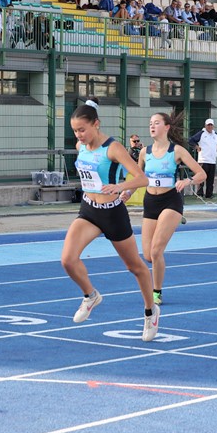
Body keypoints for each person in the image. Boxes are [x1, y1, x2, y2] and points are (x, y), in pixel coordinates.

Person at [63, 98, 159, 342]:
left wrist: (119, 187)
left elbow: (142, 179)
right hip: (89, 210)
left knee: (135, 267)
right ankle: (90, 295)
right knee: (68, 260)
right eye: (75, 131)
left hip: (113, 213)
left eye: (82, 129)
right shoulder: (81, 146)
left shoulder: (113, 148)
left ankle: (151, 312)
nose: (79, 135)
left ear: (96, 124)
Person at [128, 112, 205, 306]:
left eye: (156, 123)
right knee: (148, 255)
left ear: (167, 127)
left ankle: (157, 292)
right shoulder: (144, 152)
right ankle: (171, 224)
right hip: (150, 202)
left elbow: (201, 174)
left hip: (170, 201)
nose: (152, 126)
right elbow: (139, 178)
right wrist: (127, 192)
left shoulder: (176, 151)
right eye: (150, 123)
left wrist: (187, 181)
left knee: (156, 251)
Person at [188, 118, 217, 199]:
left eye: (211, 125)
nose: (210, 127)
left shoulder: (215, 135)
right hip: (203, 160)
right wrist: (197, 147)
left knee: (211, 180)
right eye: (208, 125)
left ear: (213, 126)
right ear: (205, 126)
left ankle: (209, 194)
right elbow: (191, 140)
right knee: (201, 178)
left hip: (212, 160)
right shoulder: (201, 133)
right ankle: (199, 194)